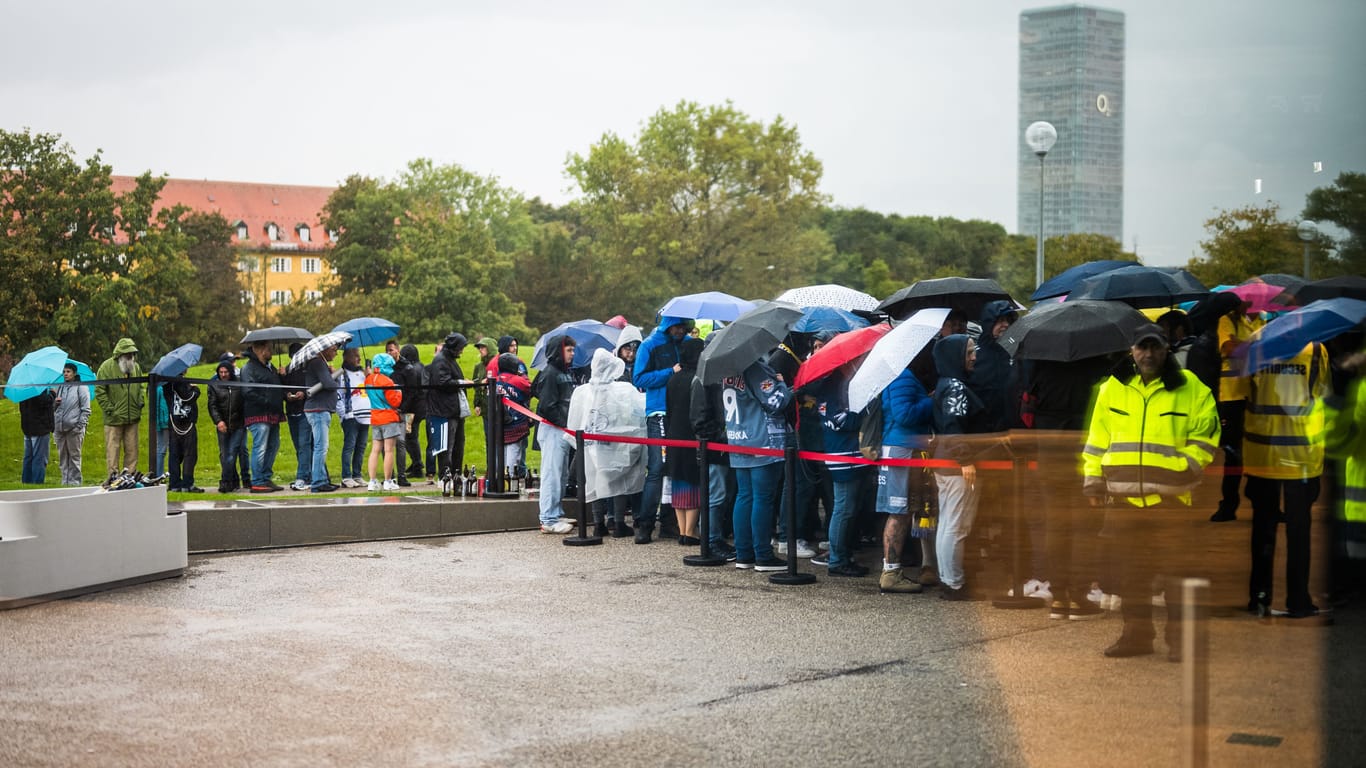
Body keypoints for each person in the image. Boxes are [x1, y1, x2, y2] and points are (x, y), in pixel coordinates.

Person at [1083, 323, 1220, 660]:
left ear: (1166, 348)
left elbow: (1207, 438)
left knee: (1177, 576)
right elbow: (1097, 439)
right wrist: (1092, 478)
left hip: (1171, 502)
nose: (1148, 354)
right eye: (1142, 347)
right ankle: (1137, 636)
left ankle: (1180, 642)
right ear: (1131, 351)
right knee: (1131, 575)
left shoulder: (1192, 388)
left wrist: (1186, 469)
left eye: (1155, 347)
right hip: (1124, 502)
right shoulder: (1111, 389)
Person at [1244, 341, 1330, 618]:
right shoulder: (1316, 350)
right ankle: (1298, 600)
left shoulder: (1255, 345)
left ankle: (1259, 598)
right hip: (1301, 455)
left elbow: (1242, 392)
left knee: (1262, 530)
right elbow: (1324, 394)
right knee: (1299, 531)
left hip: (1263, 454)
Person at [932, 334, 992, 600]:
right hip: (959, 465)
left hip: (946, 462)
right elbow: (954, 426)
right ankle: (954, 582)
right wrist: (966, 460)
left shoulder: (946, 383)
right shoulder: (956, 387)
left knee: (948, 523)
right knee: (956, 525)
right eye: (968, 352)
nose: (974, 357)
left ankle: (949, 579)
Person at [565, 347, 647, 538]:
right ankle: (618, 523)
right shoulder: (623, 390)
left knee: (595, 480)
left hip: (591, 445)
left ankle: (598, 524)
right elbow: (635, 412)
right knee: (617, 480)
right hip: (615, 444)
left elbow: (574, 421)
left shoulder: (582, 392)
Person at [723, 357, 793, 572]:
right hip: (761, 440)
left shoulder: (727, 368)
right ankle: (762, 554)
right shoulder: (754, 367)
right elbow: (775, 401)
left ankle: (744, 553)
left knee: (745, 496)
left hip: (738, 437)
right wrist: (783, 384)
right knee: (762, 497)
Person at [633, 315, 694, 541]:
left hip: (681, 413)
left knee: (676, 468)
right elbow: (639, 379)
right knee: (657, 469)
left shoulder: (687, 342)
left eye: (683, 326)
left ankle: (669, 523)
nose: (681, 330)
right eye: (677, 327)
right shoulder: (649, 345)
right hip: (659, 412)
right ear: (669, 325)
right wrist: (671, 371)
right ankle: (645, 524)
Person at [812, 367, 871, 577]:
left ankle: (843, 555)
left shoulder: (849, 381)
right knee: (843, 509)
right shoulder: (831, 386)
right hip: (842, 455)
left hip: (854, 454)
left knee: (850, 509)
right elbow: (838, 420)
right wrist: (865, 412)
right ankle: (837, 560)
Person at [1211, 301, 1259, 522]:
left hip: (1258, 398)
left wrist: (1243, 345)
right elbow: (1229, 349)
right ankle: (1228, 506)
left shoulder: (1265, 322)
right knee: (1232, 455)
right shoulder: (1227, 320)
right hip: (1231, 399)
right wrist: (1258, 346)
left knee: (1259, 453)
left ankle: (1264, 504)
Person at [534, 334, 578, 534]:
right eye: (569, 350)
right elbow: (546, 406)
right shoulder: (551, 373)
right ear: (559, 351)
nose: (572, 354)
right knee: (552, 474)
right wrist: (564, 423)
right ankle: (548, 518)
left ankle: (555, 512)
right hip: (554, 429)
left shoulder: (561, 372)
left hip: (561, 429)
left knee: (561, 474)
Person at [664, 337, 706, 545]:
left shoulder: (673, 379)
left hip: (673, 435)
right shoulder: (698, 379)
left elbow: (669, 409)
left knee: (678, 482)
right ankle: (691, 532)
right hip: (691, 436)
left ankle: (683, 530)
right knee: (694, 483)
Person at [95, 337, 145, 477]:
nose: (131, 356)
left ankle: (130, 476)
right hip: (113, 419)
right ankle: (113, 476)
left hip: (133, 416)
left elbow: (141, 386)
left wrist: (140, 401)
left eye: (132, 354)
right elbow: (99, 390)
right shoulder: (106, 367)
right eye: (128, 354)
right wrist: (110, 409)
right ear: (120, 355)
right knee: (113, 449)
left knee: (132, 449)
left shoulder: (136, 367)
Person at [240, 340, 285, 493]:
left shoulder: (270, 368)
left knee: (273, 445)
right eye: (268, 348)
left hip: (273, 413)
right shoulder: (248, 368)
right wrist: (266, 401)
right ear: (260, 350)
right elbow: (247, 391)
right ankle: (257, 481)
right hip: (258, 414)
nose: (271, 351)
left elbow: (276, 386)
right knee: (260, 447)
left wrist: (281, 377)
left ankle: (266, 477)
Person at [428, 333, 472, 483]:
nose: (462, 351)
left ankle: (455, 474)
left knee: (458, 445)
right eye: (461, 348)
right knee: (447, 447)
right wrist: (462, 383)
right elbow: (443, 382)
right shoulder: (441, 361)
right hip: (445, 411)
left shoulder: (448, 359)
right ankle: (445, 476)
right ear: (454, 347)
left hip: (453, 410)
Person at [302, 341, 340, 493]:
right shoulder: (318, 363)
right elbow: (329, 384)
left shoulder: (319, 364)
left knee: (321, 446)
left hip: (320, 410)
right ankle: (318, 482)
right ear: (324, 350)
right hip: (318, 410)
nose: (336, 353)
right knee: (320, 447)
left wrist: (329, 374)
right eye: (334, 350)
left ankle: (323, 479)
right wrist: (334, 376)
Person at [364, 352, 404, 491]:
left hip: (375, 418)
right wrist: (398, 391)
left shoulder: (368, 379)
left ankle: (372, 481)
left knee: (375, 450)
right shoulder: (388, 381)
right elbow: (395, 402)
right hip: (388, 418)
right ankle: (388, 481)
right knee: (389, 451)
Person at [207, 356, 248, 493]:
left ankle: (225, 481)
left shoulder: (239, 384)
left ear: (230, 372)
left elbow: (244, 403)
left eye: (226, 372)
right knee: (224, 454)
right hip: (222, 424)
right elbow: (212, 405)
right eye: (221, 372)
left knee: (232, 453)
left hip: (238, 425)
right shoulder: (214, 386)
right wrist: (218, 421)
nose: (223, 375)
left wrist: (243, 421)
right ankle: (233, 480)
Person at [494, 353, 533, 482]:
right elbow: (531, 390)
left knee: (501, 454)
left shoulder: (495, 380)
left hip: (499, 423)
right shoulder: (518, 380)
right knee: (513, 454)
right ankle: (510, 481)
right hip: (515, 424)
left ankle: (500, 481)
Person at [336, 347, 370, 488]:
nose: (359, 358)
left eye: (358, 355)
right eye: (355, 356)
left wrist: (369, 376)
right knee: (350, 446)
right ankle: (346, 476)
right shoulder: (342, 375)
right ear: (346, 357)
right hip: (351, 416)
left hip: (366, 415)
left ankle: (357, 474)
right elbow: (339, 396)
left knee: (361, 447)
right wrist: (344, 415)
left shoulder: (362, 373)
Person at [52, 362, 91, 485]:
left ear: (74, 373)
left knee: (74, 457)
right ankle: (65, 482)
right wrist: (55, 404)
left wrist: (79, 427)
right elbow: (52, 409)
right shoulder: (60, 387)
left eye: (68, 371)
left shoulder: (81, 387)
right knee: (63, 458)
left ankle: (75, 483)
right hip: (59, 429)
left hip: (74, 429)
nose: (65, 374)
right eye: (64, 372)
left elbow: (86, 410)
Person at [281, 342, 313, 490]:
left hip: (305, 411)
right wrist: (286, 394)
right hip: (292, 411)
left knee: (304, 445)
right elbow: (281, 390)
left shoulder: (309, 369)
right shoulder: (286, 371)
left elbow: (314, 388)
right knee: (299, 446)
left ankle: (302, 477)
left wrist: (304, 394)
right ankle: (310, 474)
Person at [397, 344, 431, 481]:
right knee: (412, 436)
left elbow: (411, 392)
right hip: (422, 407)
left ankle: (417, 465)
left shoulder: (411, 369)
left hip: (412, 409)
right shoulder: (421, 366)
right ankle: (416, 463)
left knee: (410, 438)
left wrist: (404, 408)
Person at [165, 378, 203, 492]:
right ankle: (186, 484)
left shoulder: (166, 384)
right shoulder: (179, 382)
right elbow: (188, 397)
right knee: (189, 455)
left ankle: (175, 483)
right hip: (185, 424)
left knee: (174, 455)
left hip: (174, 423)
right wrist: (195, 389)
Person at [385, 340, 413, 487]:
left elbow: (411, 391)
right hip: (387, 410)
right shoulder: (384, 369)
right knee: (387, 444)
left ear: (398, 350)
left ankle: (401, 475)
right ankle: (389, 475)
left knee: (401, 443)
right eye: (387, 351)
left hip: (401, 410)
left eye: (392, 350)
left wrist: (402, 407)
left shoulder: (407, 368)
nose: (390, 353)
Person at [20, 388, 56, 484]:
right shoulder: (37, 388)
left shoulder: (23, 389)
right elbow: (44, 401)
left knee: (28, 457)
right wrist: (53, 394)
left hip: (27, 427)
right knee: (39, 458)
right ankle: (37, 483)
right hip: (40, 428)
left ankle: (26, 482)